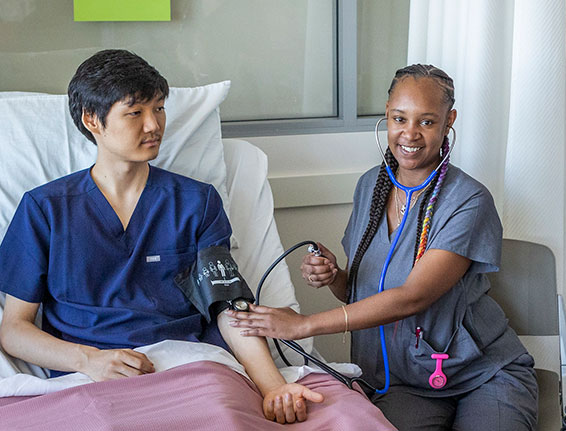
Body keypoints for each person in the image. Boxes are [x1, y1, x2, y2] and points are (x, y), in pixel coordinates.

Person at [0, 49, 330, 424]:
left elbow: (227, 309)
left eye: (158, 109)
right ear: (92, 120)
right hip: (87, 380)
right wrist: (88, 359)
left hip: (189, 368)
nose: (153, 125)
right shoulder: (46, 209)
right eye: (135, 112)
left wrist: (273, 386)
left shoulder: (196, 202)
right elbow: (14, 329)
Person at [226, 64, 539, 430]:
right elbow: (358, 293)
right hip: (407, 385)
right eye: (399, 118)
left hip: (484, 374)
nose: (410, 133)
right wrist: (334, 276)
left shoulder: (467, 200)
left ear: (448, 120)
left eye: (426, 122)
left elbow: (412, 296)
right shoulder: (370, 187)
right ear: (386, 115)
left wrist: (304, 325)